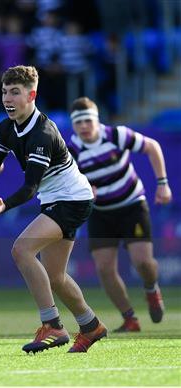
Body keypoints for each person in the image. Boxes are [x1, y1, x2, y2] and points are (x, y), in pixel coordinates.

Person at [0, 65, 106, 353]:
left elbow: (30, 187)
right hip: (57, 199)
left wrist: (6, 205)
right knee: (56, 276)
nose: (7, 98)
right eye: (5, 92)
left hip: (72, 200)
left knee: (21, 249)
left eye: (15, 92)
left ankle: (53, 325)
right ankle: (91, 326)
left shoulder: (43, 133)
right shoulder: (6, 127)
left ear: (31, 95)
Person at [67, 97, 171, 332]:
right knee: (104, 268)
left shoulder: (116, 135)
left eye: (87, 120)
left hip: (131, 205)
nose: (83, 126)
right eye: (78, 122)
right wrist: (82, 189)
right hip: (101, 212)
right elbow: (68, 181)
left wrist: (163, 183)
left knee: (143, 262)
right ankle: (130, 319)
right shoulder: (71, 150)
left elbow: (152, 146)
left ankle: (151, 288)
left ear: (97, 121)